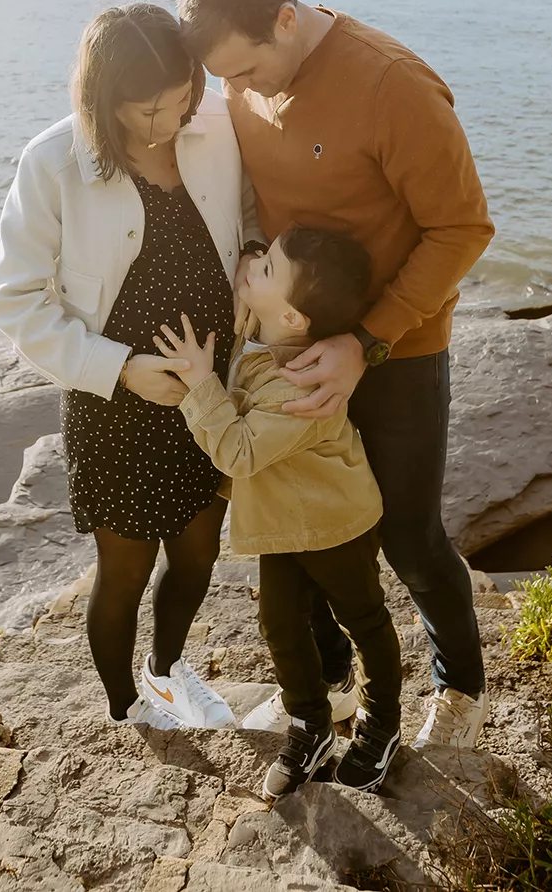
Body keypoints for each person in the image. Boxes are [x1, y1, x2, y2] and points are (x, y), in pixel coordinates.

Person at [177, 0, 495, 749]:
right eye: (225, 78)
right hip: (287, 348)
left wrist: (366, 340)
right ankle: (328, 689)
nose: (238, 91)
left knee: (409, 536)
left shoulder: (394, 87)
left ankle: (459, 692)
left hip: (399, 343)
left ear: (288, 18)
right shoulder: (239, 79)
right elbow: (251, 198)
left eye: (247, 70)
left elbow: (463, 228)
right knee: (298, 527)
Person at [0, 3, 244, 731]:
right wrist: (121, 368)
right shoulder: (53, 162)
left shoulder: (216, 123)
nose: (169, 121)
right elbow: (15, 300)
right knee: (123, 573)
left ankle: (165, 673)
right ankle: (125, 710)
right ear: (104, 100)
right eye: (146, 110)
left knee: (198, 555)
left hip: (209, 397)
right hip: (113, 403)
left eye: (181, 98)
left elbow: (251, 222)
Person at [155, 225, 403, 800]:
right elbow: (250, 322)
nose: (255, 266)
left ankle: (382, 723)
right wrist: (251, 268)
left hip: (336, 522)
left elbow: (238, 451)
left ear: (294, 318)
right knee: (280, 624)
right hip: (282, 524)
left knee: (363, 619)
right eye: (263, 258)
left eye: (267, 269)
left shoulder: (301, 385)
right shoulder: (266, 331)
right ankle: (310, 725)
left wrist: (198, 383)